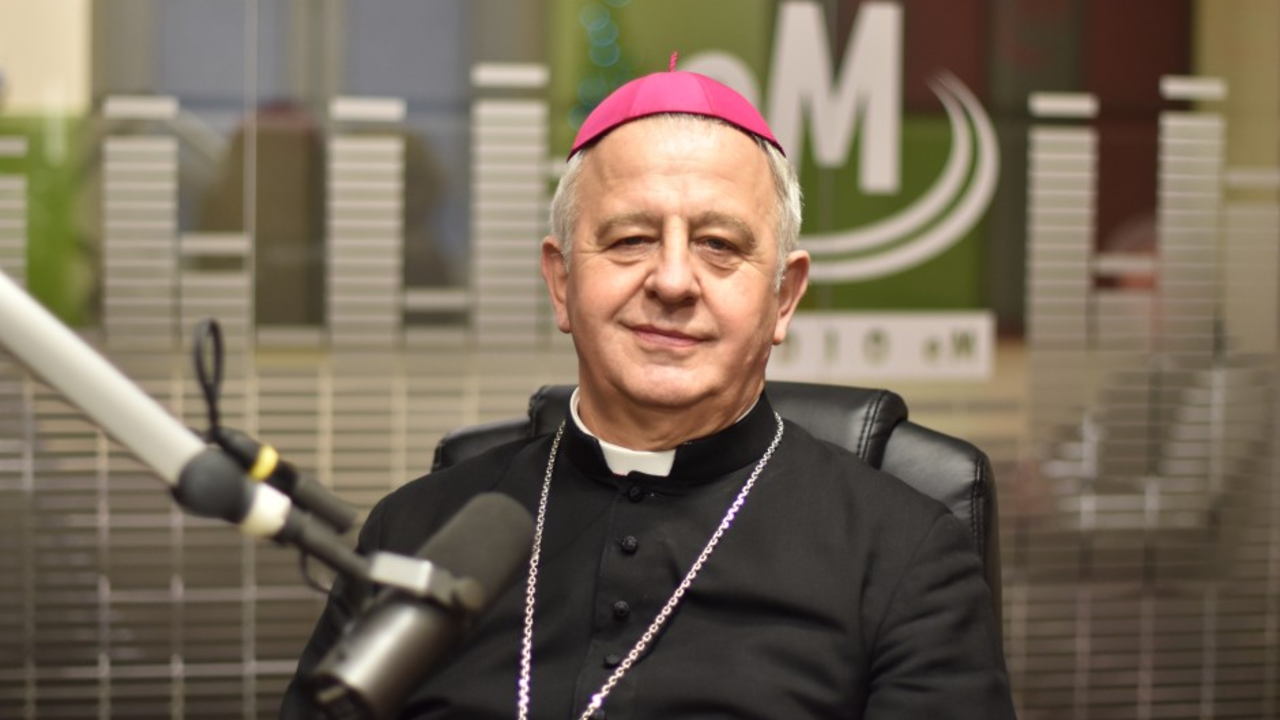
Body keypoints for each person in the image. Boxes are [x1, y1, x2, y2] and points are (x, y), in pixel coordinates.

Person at [281, 66, 1016, 719]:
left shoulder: (906, 557)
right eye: (630, 239)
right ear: (562, 281)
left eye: (719, 245)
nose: (671, 281)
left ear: (784, 298)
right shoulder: (414, 532)